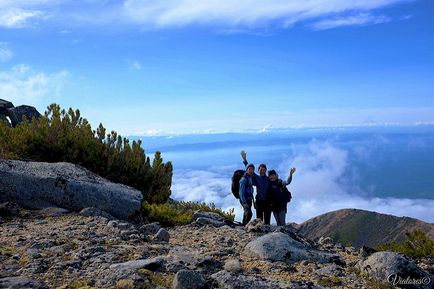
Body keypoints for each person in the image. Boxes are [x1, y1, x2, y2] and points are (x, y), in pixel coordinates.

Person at [240, 150, 271, 225]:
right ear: (258, 170)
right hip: (259, 201)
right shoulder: (257, 177)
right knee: (259, 220)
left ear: (266, 170)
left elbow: (276, 181)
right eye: (260, 169)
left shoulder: (268, 179)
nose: (262, 171)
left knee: (267, 221)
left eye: (263, 169)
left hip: (267, 202)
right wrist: (244, 160)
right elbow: (249, 169)